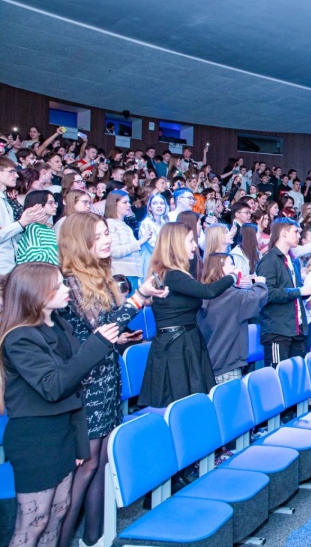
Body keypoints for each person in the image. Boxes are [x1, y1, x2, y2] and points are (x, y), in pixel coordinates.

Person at [56, 212, 166, 547]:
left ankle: (94, 538)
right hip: (86, 387)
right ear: (80, 241)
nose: (107, 240)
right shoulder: (70, 282)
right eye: (99, 235)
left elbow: (102, 334)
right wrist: (139, 298)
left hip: (106, 379)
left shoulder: (98, 276)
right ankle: (59, 541)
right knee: (85, 469)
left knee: (102, 465)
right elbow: (96, 333)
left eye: (107, 233)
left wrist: (118, 338)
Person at [0, 262, 121, 547]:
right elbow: (54, 387)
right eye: (58, 286)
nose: (67, 289)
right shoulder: (19, 337)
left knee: (57, 513)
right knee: (34, 521)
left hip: (63, 433)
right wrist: (96, 344)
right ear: (35, 294)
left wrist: (80, 443)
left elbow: (73, 391)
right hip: (35, 440)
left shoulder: (58, 325)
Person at [139, 223, 242, 408]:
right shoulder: (172, 275)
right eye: (190, 241)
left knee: (191, 405)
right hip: (176, 348)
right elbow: (208, 291)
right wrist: (232, 277)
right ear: (176, 244)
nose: (195, 245)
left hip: (185, 342)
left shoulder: (174, 274)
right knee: (184, 406)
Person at [257, 217, 311, 366]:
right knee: (277, 376)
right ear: (284, 233)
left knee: (295, 375)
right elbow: (268, 294)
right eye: (296, 232)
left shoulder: (293, 261)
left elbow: (296, 292)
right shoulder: (269, 261)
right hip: (277, 331)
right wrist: (300, 291)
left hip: (296, 330)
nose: (299, 235)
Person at [198, 253, 268, 383]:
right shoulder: (231, 296)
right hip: (227, 366)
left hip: (208, 365)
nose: (235, 268)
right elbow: (256, 298)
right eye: (231, 264)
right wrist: (259, 284)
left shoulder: (202, 293)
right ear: (219, 269)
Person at [0, 156, 48, 274]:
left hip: (9, 265)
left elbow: (9, 236)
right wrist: (23, 222)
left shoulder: (4, 199)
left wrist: (27, 221)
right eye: (11, 172)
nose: (16, 175)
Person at [107, 190, 152, 293]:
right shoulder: (110, 224)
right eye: (124, 202)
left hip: (131, 274)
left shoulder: (124, 225)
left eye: (129, 202)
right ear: (114, 204)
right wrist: (141, 241)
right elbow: (115, 251)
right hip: (122, 275)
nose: (129, 205)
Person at [15, 190, 59, 264]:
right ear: (37, 205)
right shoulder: (32, 227)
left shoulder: (49, 230)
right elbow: (34, 257)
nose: (55, 206)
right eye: (50, 203)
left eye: (55, 203)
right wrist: (58, 248)